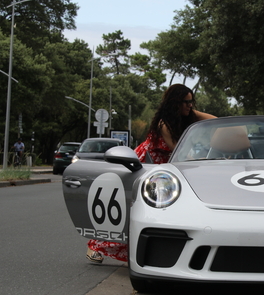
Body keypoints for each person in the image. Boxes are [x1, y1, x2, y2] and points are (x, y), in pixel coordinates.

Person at [86, 84, 216, 263]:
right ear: (175, 104)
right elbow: (177, 150)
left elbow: (214, 120)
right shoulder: (165, 123)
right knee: (135, 209)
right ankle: (95, 245)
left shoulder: (184, 118)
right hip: (147, 164)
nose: (190, 105)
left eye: (191, 102)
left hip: (166, 168)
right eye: (185, 102)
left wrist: (192, 110)